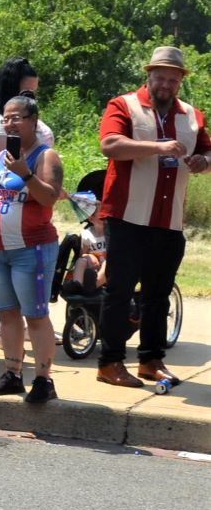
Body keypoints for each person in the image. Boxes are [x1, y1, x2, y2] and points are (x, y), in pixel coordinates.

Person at [95, 46, 210, 389]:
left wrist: (204, 162)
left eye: (173, 80)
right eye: (160, 77)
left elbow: (208, 150)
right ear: (148, 75)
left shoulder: (192, 116)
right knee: (119, 291)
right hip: (127, 217)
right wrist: (159, 147)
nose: (166, 85)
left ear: (181, 81)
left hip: (169, 219)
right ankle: (110, 363)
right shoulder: (123, 105)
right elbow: (110, 145)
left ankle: (151, 360)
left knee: (158, 294)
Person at [0, 95, 63, 404]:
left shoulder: (46, 156)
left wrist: (25, 172)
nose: (10, 123)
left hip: (31, 249)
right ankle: (13, 374)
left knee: (35, 316)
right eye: (6, 118)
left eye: (17, 118)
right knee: (7, 313)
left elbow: (49, 197)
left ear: (33, 121)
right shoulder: (1, 155)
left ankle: (43, 379)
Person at [0, 57, 55, 161]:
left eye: (34, 92)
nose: (32, 98)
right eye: (26, 92)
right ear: (10, 90)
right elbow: (8, 169)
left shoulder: (21, 113)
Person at [64, 208, 108, 294]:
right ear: (91, 218)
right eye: (102, 216)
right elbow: (82, 254)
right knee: (81, 261)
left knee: (107, 264)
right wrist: (88, 257)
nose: (105, 217)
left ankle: (94, 285)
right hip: (92, 266)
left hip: (107, 269)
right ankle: (77, 284)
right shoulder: (87, 233)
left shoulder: (111, 233)